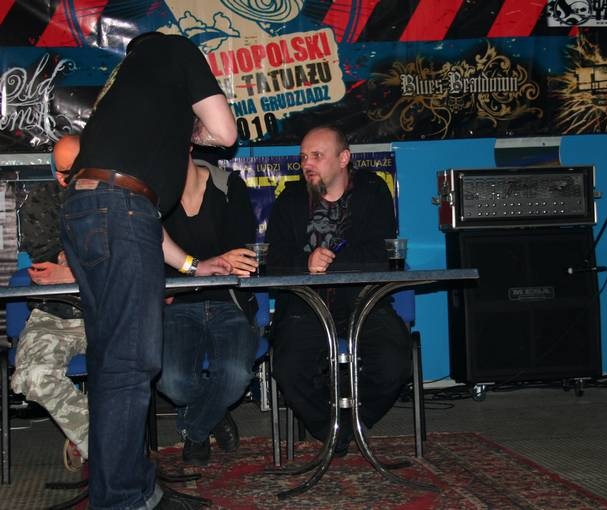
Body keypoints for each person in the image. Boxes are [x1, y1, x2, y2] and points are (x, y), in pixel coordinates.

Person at [60, 31, 237, 509]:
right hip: (119, 210)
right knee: (130, 365)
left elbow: (141, 220)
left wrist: (193, 265)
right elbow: (225, 133)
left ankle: (128, 490)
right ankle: (124, 500)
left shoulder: (120, 95)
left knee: (110, 363)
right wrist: (193, 132)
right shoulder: (176, 50)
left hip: (87, 209)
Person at [264, 124, 412, 456]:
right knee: (289, 366)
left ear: (344, 158)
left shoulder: (372, 192)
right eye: (304, 157)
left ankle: (353, 422)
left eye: (316, 155)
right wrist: (306, 263)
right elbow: (272, 260)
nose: (307, 163)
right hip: (305, 304)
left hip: (363, 300)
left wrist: (331, 263)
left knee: (394, 362)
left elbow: (382, 254)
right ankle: (331, 428)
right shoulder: (290, 199)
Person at [158, 155, 258, 466]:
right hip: (177, 305)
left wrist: (185, 271)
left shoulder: (228, 187)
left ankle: (196, 429)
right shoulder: (153, 196)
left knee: (235, 376)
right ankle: (215, 413)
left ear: (186, 145)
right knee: (171, 381)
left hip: (229, 302)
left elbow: (240, 256)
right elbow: (149, 260)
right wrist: (208, 265)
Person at [11, 135, 89, 470]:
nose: (67, 179)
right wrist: (85, 264)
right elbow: (46, 268)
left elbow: (127, 260)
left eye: (79, 169)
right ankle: (101, 441)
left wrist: (71, 268)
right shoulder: (42, 200)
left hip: (104, 312)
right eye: (65, 172)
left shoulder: (117, 197)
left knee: (131, 369)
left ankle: (93, 441)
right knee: (33, 375)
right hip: (53, 313)